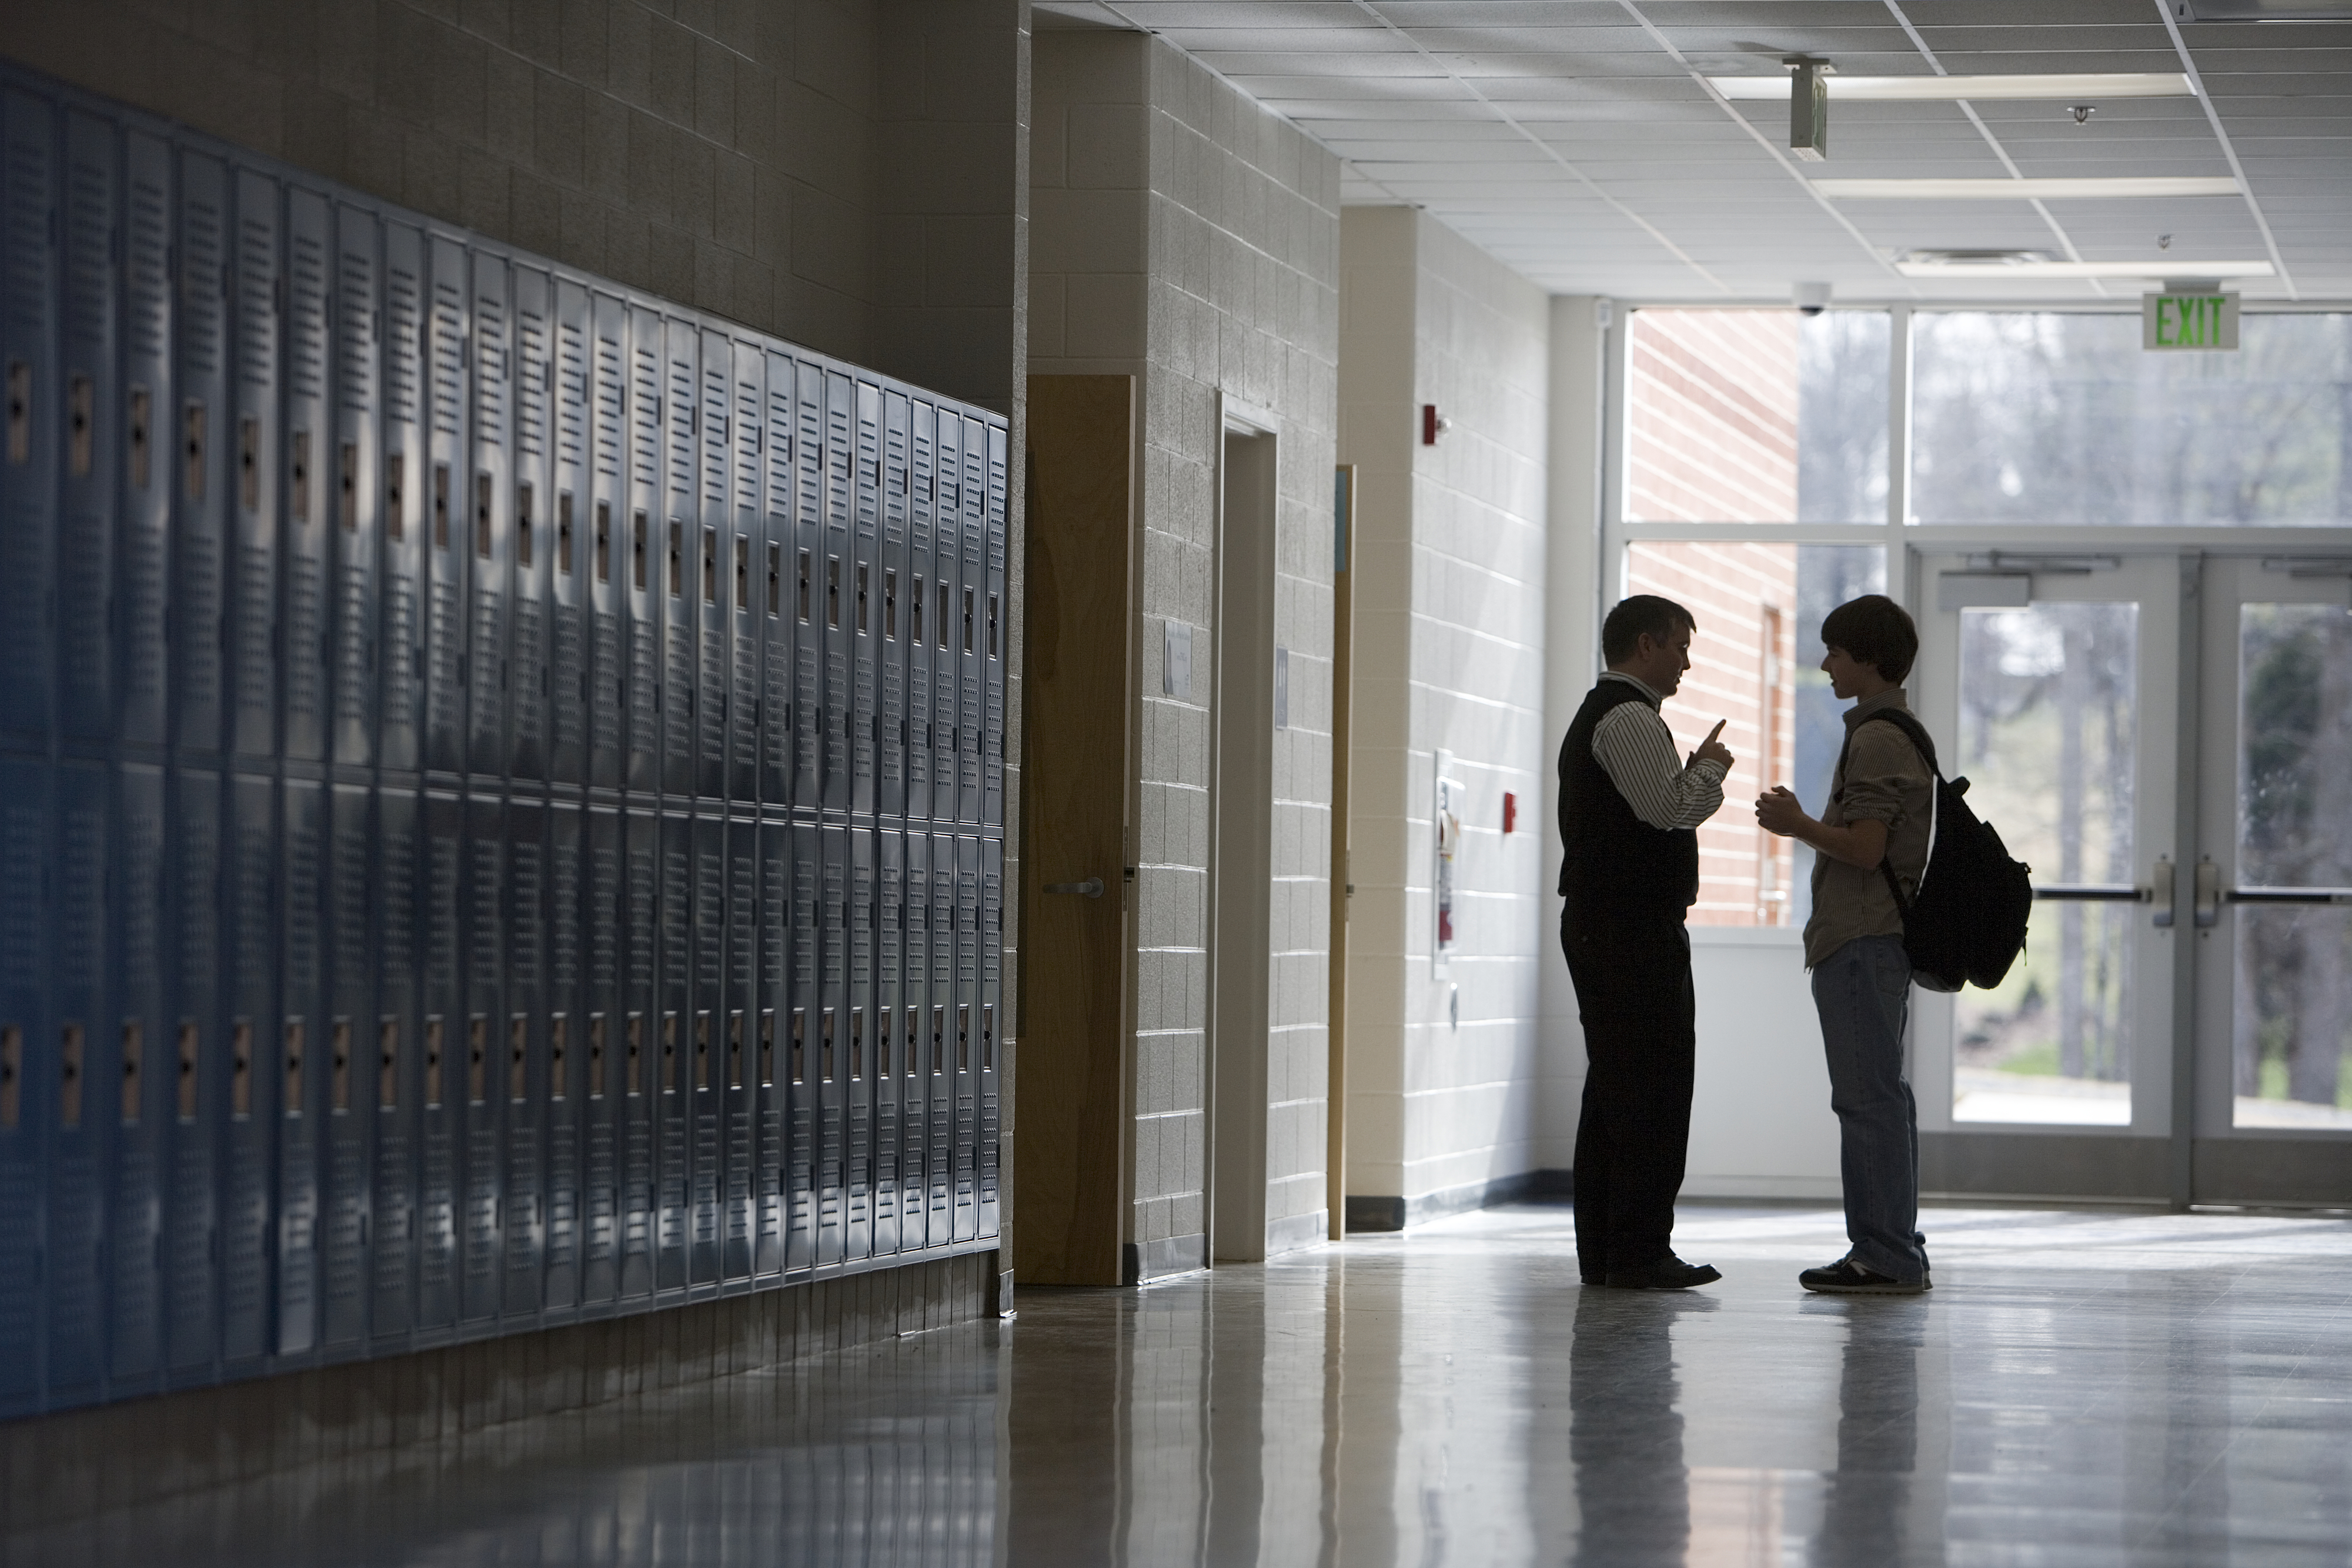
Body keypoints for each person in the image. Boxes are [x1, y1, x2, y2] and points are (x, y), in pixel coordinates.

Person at [1754, 594, 1933, 1295]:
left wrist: (1797, 823)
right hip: (1872, 942)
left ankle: (1884, 1253)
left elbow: (1865, 848)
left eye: (1836, 652)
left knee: (1866, 1101)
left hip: (1861, 938)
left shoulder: (1879, 737)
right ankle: (1891, 1245)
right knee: (1881, 1098)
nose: (1825, 663)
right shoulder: (1892, 729)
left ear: (1869, 658)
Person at [1559, 594, 1733, 1290]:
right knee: (1651, 1086)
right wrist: (1709, 769)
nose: (1687, 660)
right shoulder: (1627, 716)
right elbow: (1667, 810)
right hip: (1628, 928)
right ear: (1644, 646)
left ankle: (1612, 1250)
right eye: (1679, 646)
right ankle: (1636, 1250)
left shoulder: (1616, 715)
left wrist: (1686, 773)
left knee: (1617, 1088)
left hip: (1611, 924)